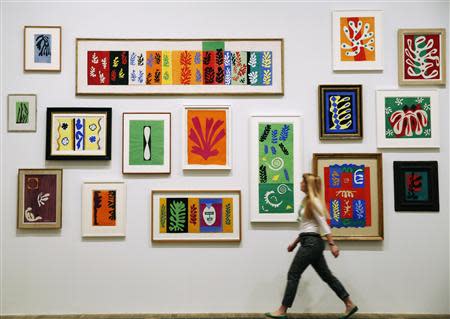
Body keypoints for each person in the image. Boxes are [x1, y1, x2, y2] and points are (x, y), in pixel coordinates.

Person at [265, 173, 358, 319]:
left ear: (308, 185)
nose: (300, 183)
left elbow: (322, 224)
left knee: (293, 274)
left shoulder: (314, 202)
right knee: (327, 276)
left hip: (311, 243)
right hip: (310, 241)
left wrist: (332, 244)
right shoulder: (307, 201)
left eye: (303, 181)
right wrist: (295, 243)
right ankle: (349, 303)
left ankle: (282, 310)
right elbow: (307, 227)